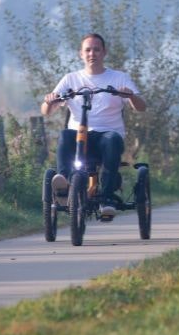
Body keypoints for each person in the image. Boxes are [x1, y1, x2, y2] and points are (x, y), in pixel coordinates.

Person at [42, 33, 146, 218]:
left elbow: (141, 107)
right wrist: (49, 101)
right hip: (79, 137)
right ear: (80, 54)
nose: (92, 54)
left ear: (104, 52)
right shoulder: (70, 79)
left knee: (112, 139)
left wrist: (130, 96)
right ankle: (64, 185)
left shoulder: (119, 78)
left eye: (96, 49)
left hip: (108, 136)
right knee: (66, 134)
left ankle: (106, 198)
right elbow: (46, 111)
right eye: (88, 50)